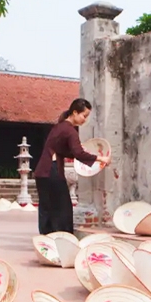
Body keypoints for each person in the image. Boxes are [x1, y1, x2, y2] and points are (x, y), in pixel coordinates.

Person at [34, 98, 111, 235]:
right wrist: (100, 158)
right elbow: (78, 153)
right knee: (63, 209)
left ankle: (46, 241)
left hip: (42, 172)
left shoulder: (59, 126)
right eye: (84, 115)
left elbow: (65, 151)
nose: (85, 120)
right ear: (75, 112)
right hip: (51, 171)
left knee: (47, 208)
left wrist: (89, 157)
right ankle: (62, 240)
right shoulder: (70, 131)